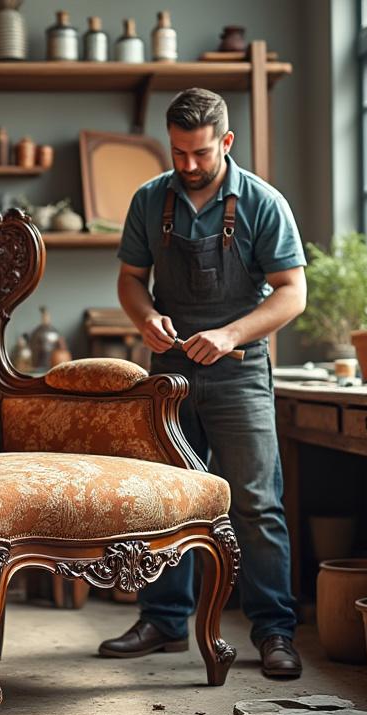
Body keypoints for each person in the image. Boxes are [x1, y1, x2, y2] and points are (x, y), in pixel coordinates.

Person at [100, 88, 308, 678]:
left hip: (239, 373)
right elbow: (131, 281)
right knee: (166, 502)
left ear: (226, 142)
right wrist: (144, 318)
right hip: (170, 376)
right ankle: (164, 620)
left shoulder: (264, 203)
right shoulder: (149, 201)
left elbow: (293, 292)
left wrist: (231, 334)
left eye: (199, 153)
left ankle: (274, 632)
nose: (187, 166)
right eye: (177, 153)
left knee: (256, 504)